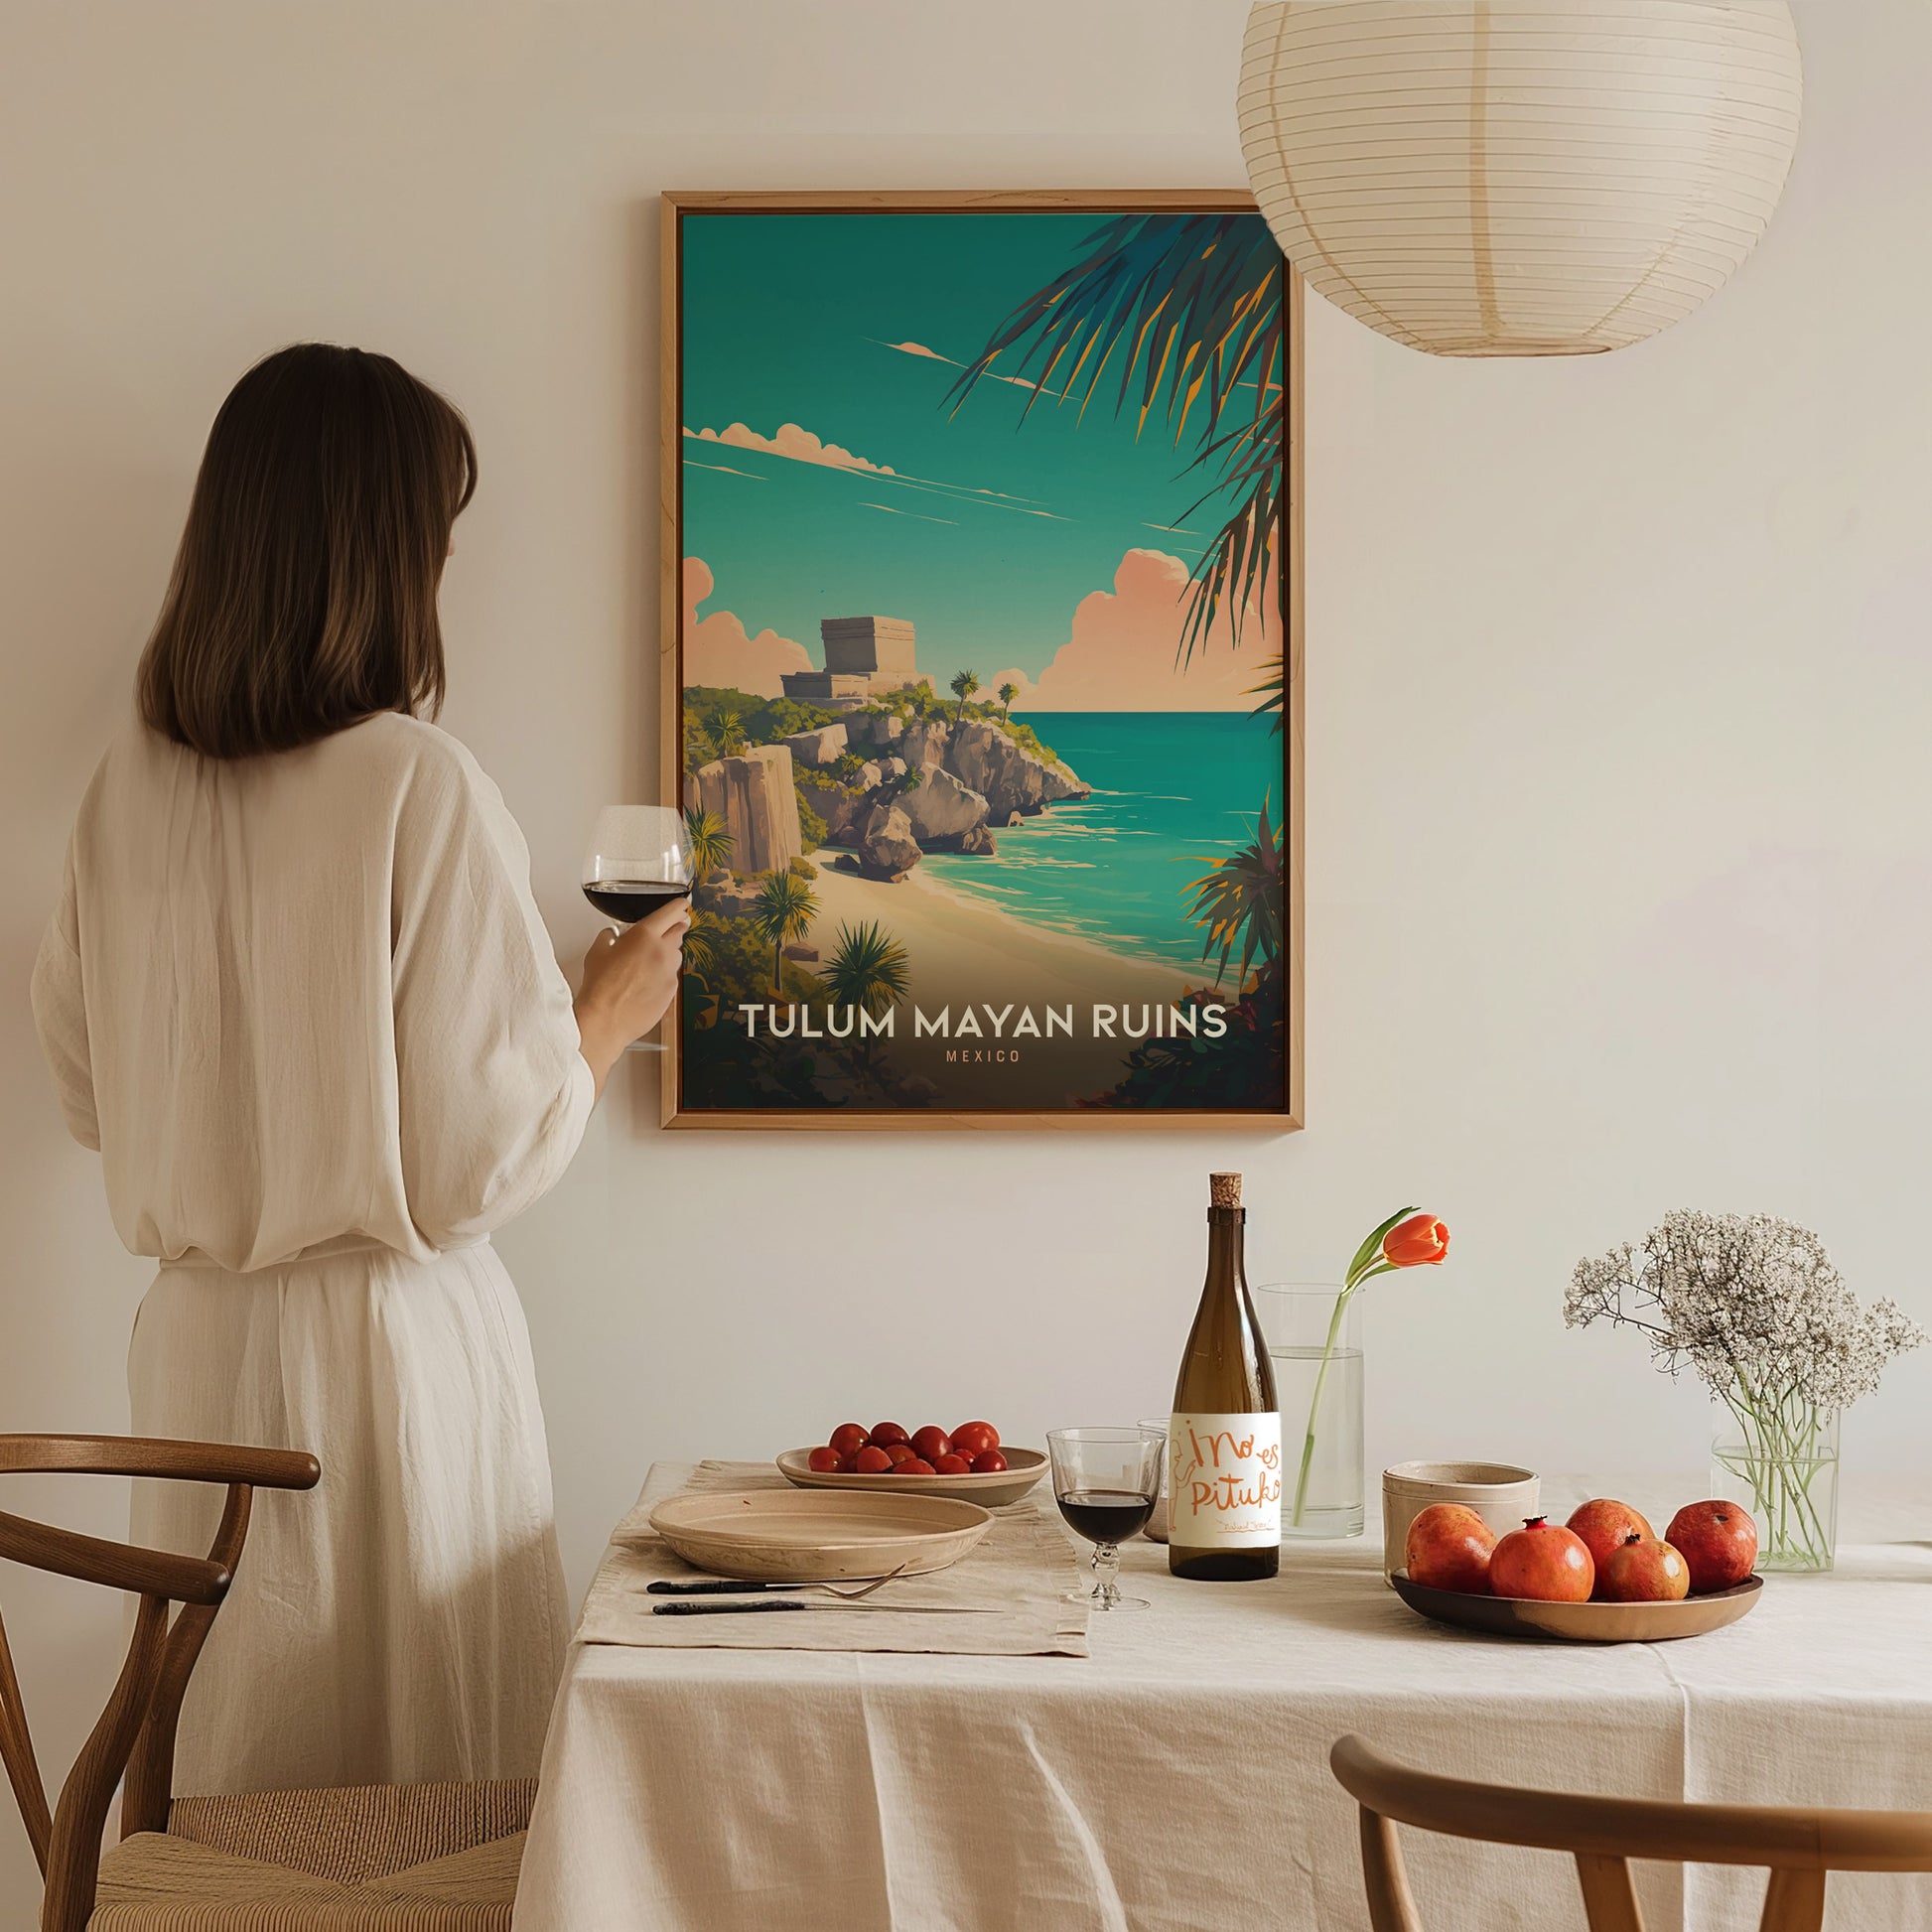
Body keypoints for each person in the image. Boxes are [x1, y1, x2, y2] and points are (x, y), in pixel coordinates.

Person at [29, 343, 686, 1793]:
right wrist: (601, 1016)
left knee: (236, 1774)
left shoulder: (123, 791)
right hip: (388, 1361)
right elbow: (470, 1167)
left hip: (194, 1354)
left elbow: (87, 1092)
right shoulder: (415, 780)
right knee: (424, 1794)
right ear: (385, 549)